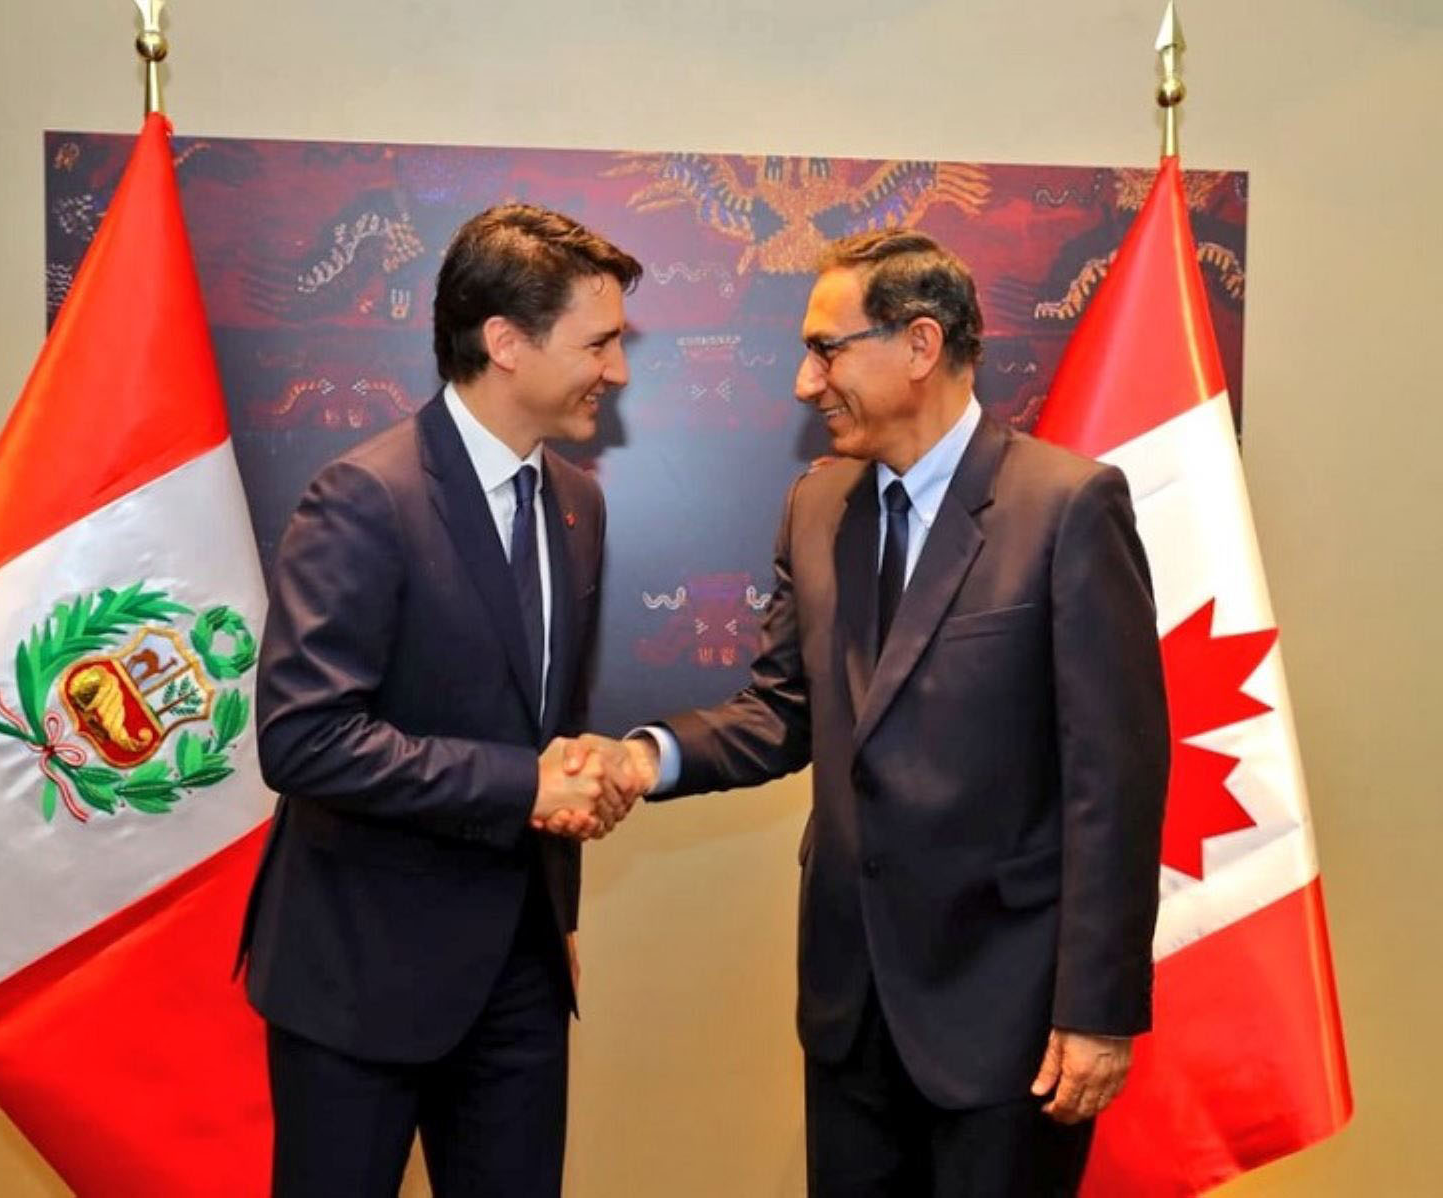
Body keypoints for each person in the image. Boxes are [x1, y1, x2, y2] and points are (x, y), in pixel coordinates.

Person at [570, 230, 1170, 1196]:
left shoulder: (1066, 508)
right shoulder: (817, 507)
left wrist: (1098, 1009)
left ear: (920, 344)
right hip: (849, 1009)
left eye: (825, 349)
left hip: (1009, 1015)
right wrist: (645, 758)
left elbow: (1117, 780)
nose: (805, 384)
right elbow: (782, 712)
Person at [236, 204, 643, 1198]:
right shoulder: (363, 498)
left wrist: (560, 912)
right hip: (358, 979)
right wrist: (523, 787)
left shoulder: (579, 505)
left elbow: (549, 722)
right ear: (505, 341)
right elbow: (304, 739)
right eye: (599, 343)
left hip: (520, 977)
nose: (618, 371)